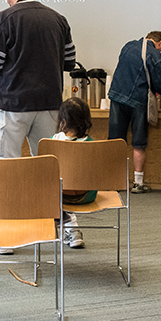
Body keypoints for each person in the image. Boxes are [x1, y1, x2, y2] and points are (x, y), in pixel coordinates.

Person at [0, 0, 76, 159]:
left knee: (5, 164)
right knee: (48, 164)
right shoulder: (57, 19)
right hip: (50, 103)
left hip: (14, 104)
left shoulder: (5, 19)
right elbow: (70, 63)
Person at [107, 31, 161, 193]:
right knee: (138, 143)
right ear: (160, 43)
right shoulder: (155, 55)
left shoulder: (128, 46)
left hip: (116, 96)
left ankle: (112, 181)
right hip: (138, 101)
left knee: (115, 143)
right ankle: (138, 183)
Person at [49, 97, 97, 249]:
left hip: (60, 196)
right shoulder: (94, 145)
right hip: (88, 195)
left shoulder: (52, 141)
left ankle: (63, 221)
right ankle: (73, 230)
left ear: (63, 120)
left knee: (49, 187)